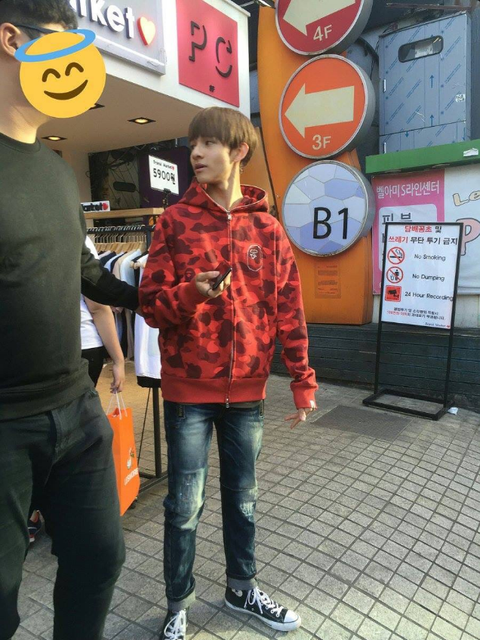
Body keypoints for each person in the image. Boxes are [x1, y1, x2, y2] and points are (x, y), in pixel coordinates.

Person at [140, 106, 318, 640]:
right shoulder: (173, 223)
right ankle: (178, 604)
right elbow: (150, 306)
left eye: (208, 143)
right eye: (192, 144)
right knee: (184, 505)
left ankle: (242, 589)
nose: (196, 153)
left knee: (243, 499)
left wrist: (303, 379)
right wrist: (189, 294)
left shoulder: (268, 229)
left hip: (247, 393)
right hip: (188, 392)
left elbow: (289, 308)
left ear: (238, 150)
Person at [0, 2, 139, 638]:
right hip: (5, 424)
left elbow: (86, 272)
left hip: (76, 410)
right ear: (12, 40)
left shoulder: (57, 170)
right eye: (62, 48)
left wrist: (159, 296)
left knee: (100, 557)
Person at [28, 236, 126, 544]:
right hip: (82, 347)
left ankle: (34, 510)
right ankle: (65, 512)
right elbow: (98, 307)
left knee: (39, 433)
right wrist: (118, 359)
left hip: (37, 348)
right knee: (74, 434)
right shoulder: (74, 235)